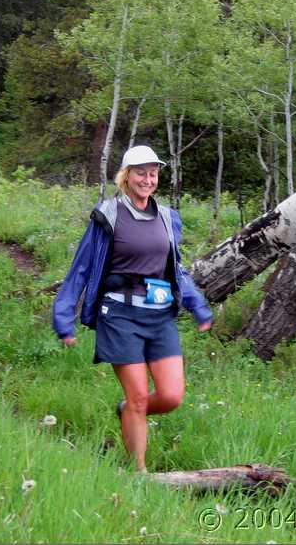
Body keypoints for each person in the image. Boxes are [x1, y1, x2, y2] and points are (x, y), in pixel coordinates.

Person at [52, 145, 213, 472]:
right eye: (141, 172)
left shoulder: (168, 218)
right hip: (120, 316)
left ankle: (128, 409)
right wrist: (64, 318)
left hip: (160, 315)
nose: (148, 179)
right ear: (126, 176)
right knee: (140, 396)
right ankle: (138, 473)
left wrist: (197, 305)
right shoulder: (108, 215)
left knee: (171, 396)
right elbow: (81, 267)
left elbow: (176, 268)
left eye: (153, 173)